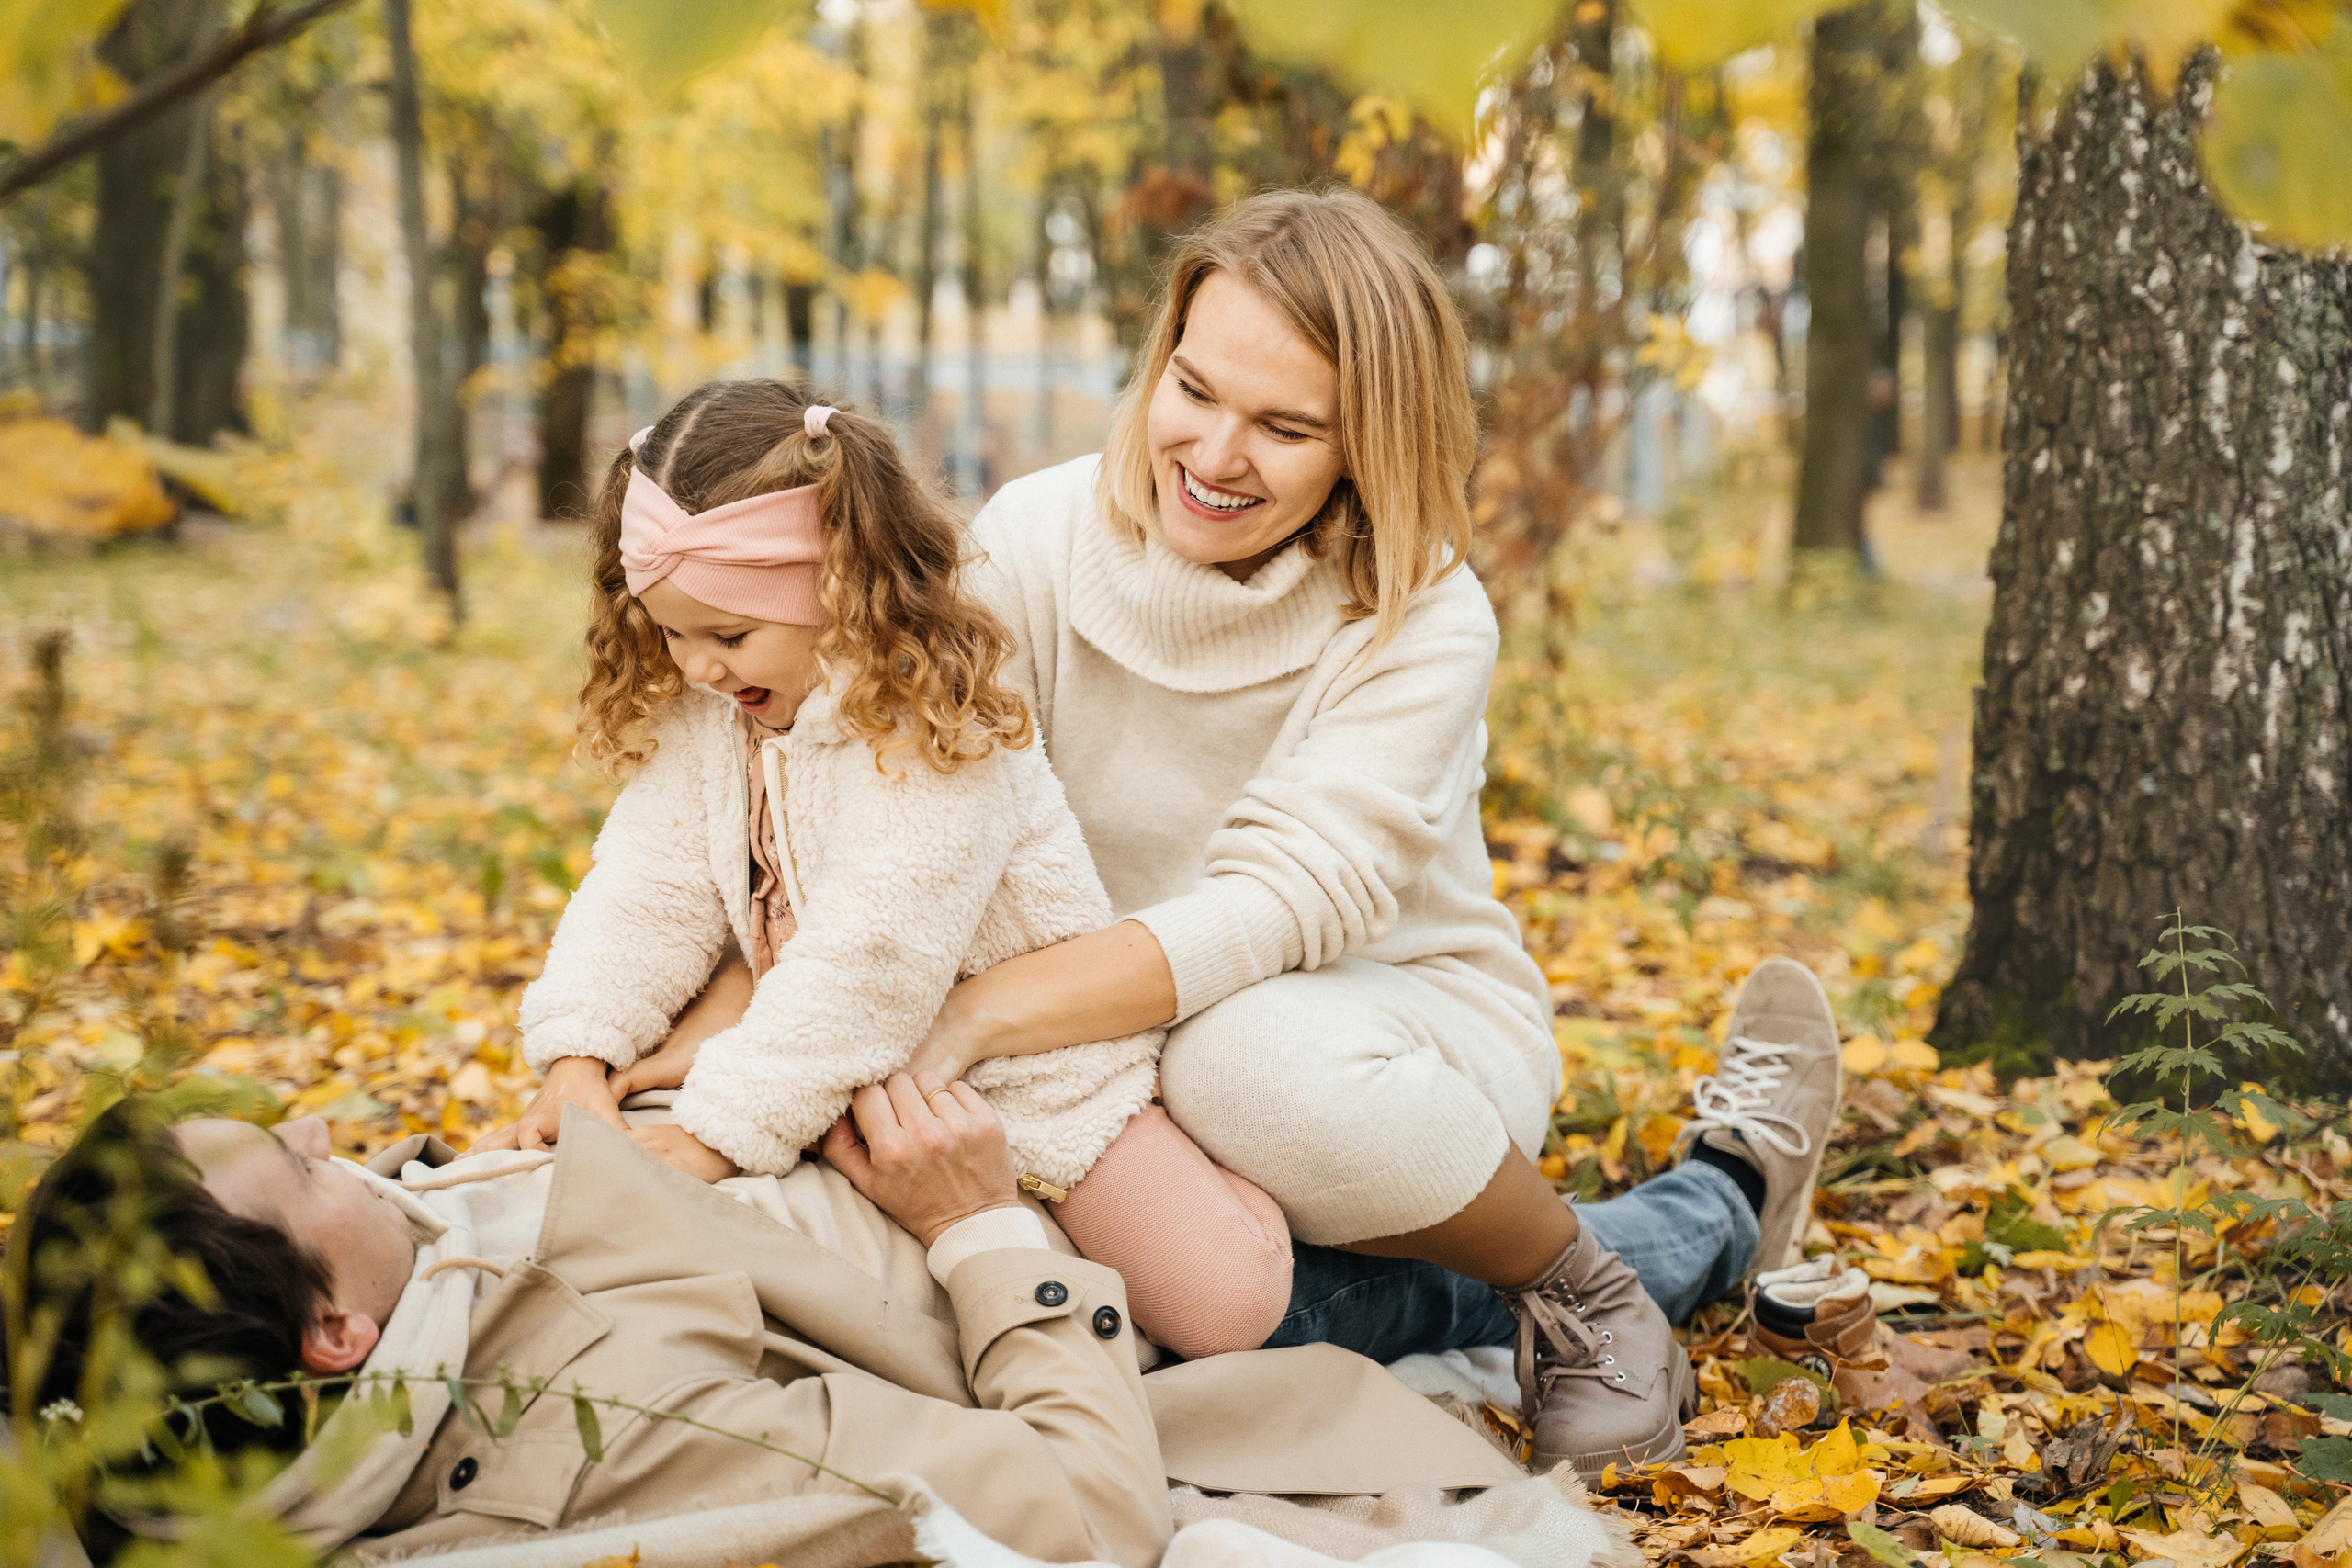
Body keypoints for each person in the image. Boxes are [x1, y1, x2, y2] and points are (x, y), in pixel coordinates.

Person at [890, 187, 1846, 1478]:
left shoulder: (1420, 615)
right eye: (1194, 389)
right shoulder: (1033, 540)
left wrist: (979, 1017)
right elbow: (924, 805)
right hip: (1097, 1059)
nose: (1215, 453)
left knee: (1238, 1061)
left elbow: (1274, 909)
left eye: (1286, 427)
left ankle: (1584, 1282)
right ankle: (1721, 1197)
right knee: (1196, 1305)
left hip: (1369, 1044)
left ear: (1367, 441)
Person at [470, 382, 1291, 1359]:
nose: (695, 667)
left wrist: (716, 1136)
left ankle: (1370, 1277)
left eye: (728, 636)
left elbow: (873, 955)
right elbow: (644, 890)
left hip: (1028, 1082)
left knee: (1221, 1306)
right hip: (835, 1071)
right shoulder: (717, 709)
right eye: (670, 632)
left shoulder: (932, 724)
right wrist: (577, 1059)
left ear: (839, 593)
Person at [9, 1085, 1518, 1565]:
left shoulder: (361, 1334)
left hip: (886, 1125)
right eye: (297, 1165)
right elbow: (1082, 1506)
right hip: (1082, 1272)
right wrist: (978, 1225)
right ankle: (1635, 1232)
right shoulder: (627, 1438)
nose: (323, 1127)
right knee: (1502, 1245)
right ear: (334, 1334)